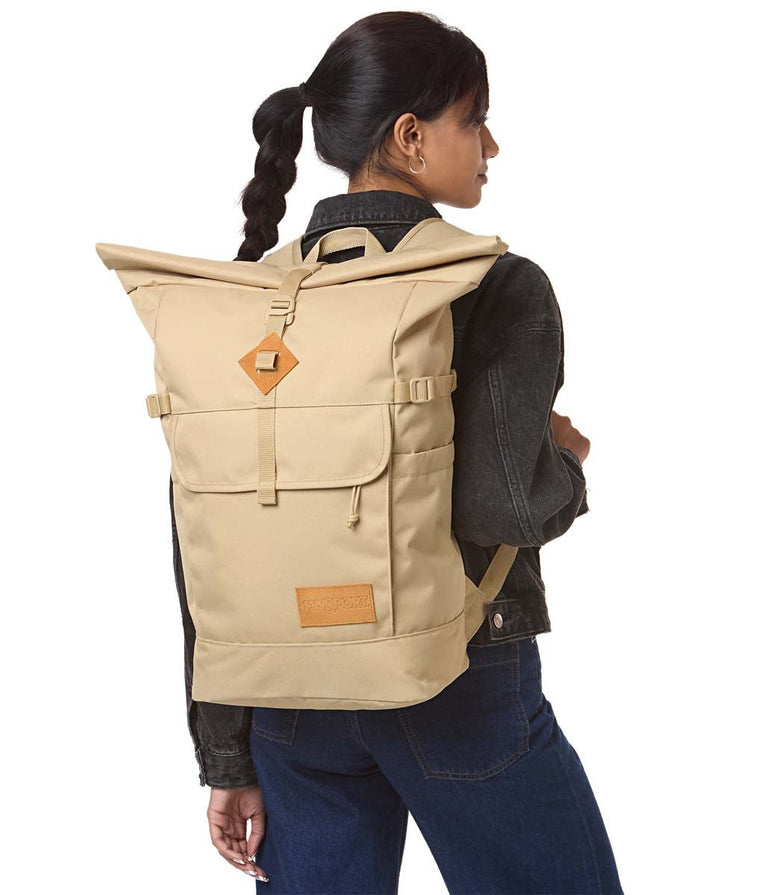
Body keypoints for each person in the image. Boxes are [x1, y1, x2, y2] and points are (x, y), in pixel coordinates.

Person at [169, 11, 625, 893]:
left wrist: (226, 751)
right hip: (450, 675)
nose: (491, 144)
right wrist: (565, 462)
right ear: (410, 136)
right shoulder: (494, 283)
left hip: (287, 696)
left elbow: (204, 536)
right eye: (475, 118)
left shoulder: (247, 298)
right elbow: (503, 504)